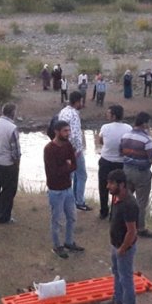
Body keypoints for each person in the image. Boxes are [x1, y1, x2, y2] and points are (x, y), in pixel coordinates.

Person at [101, 169, 139, 304]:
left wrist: (123, 249)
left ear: (121, 185)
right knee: (117, 273)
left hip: (124, 248)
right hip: (116, 245)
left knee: (126, 278)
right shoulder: (116, 198)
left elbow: (132, 232)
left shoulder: (129, 204)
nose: (107, 186)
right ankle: (117, 300)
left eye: (111, 183)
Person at [44, 120, 85, 259]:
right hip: (55, 190)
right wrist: (67, 166)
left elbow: (74, 164)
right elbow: (54, 171)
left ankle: (69, 242)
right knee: (57, 220)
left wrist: (67, 166)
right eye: (65, 131)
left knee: (72, 217)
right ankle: (57, 246)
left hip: (68, 188)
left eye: (69, 130)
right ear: (56, 131)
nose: (68, 133)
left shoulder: (68, 145)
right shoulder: (49, 149)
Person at [120, 111, 152, 238]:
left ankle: (124, 224)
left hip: (126, 170)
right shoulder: (147, 140)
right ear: (145, 123)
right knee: (141, 202)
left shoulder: (125, 135)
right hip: (141, 173)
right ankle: (140, 228)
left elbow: (121, 152)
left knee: (126, 199)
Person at [0, 102, 21, 224]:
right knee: (8, 190)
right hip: (7, 164)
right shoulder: (12, 128)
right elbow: (15, 151)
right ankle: (4, 217)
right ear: (13, 113)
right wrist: (17, 165)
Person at [96, 105, 129, 220]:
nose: (107, 115)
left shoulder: (105, 127)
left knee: (103, 186)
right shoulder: (128, 128)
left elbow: (100, 141)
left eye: (109, 113)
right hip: (120, 162)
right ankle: (114, 214)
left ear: (114, 116)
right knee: (118, 188)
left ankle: (103, 211)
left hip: (106, 161)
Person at [59, 91, 90, 211]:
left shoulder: (63, 111)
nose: (82, 103)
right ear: (77, 102)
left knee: (70, 175)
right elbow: (75, 135)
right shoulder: (74, 115)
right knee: (82, 175)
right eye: (82, 101)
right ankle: (79, 202)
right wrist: (77, 150)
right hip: (73, 149)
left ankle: (70, 200)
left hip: (64, 147)